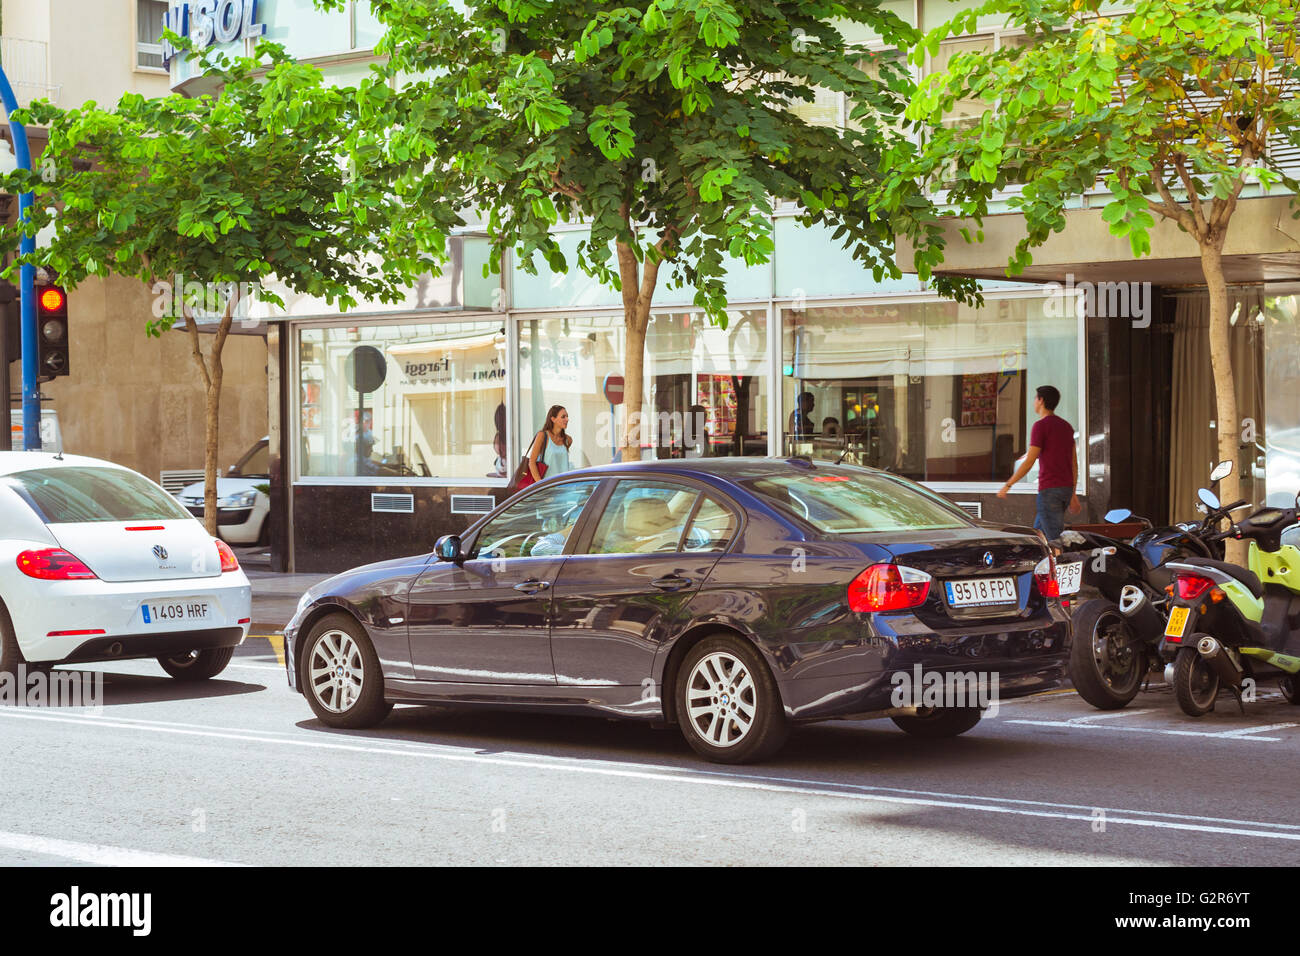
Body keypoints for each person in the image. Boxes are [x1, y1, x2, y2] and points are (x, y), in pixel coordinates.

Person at [997, 385, 1081, 540]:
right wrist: (1073, 494)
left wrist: (1008, 485)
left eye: (1035, 398)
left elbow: (1030, 461)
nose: (1034, 402)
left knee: (1054, 540)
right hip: (1065, 490)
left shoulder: (1040, 426)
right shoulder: (1066, 427)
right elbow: (1073, 464)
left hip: (1049, 491)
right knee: (1039, 536)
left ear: (1041, 400)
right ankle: (1040, 563)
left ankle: (1063, 563)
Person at [527, 405, 572, 482]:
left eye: (567, 416)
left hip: (564, 487)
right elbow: (531, 462)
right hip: (547, 488)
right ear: (553, 419)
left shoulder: (568, 440)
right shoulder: (542, 436)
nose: (567, 419)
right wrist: (540, 484)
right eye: (563, 417)